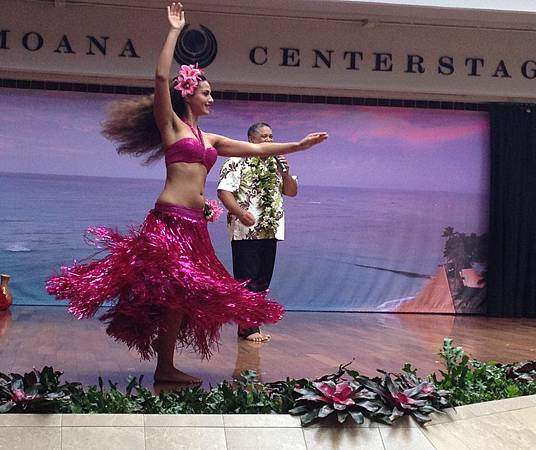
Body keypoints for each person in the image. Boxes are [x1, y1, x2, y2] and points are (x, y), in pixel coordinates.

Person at [46, 3, 328, 384]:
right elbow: (161, 78)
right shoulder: (172, 128)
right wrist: (174, 31)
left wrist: (299, 147)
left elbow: (259, 149)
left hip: (195, 227)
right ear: (190, 94)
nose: (212, 100)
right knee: (169, 296)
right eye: (207, 93)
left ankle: (166, 368)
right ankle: (164, 367)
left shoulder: (210, 139)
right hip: (168, 223)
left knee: (180, 299)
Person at [217, 123, 297, 342]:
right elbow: (224, 192)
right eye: (264, 137)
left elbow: (291, 191)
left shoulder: (275, 163)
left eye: (271, 136)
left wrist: (286, 172)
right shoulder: (236, 160)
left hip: (270, 230)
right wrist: (240, 212)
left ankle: (252, 324)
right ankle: (248, 327)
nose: (269, 141)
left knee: (262, 281)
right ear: (251, 140)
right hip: (246, 231)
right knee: (246, 280)